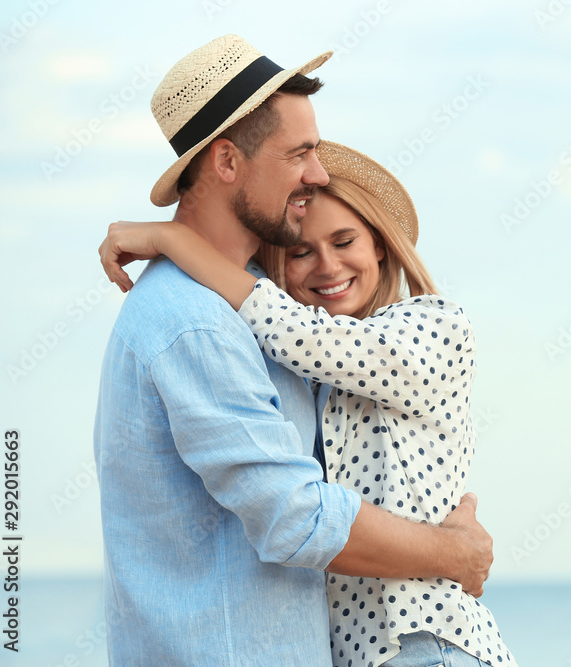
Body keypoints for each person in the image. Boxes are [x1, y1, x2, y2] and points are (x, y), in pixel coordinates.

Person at [94, 34, 492, 665]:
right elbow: (296, 517)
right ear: (226, 162)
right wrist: (456, 554)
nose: (317, 172)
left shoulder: (275, 321)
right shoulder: (197, 321)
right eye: (299, 153)